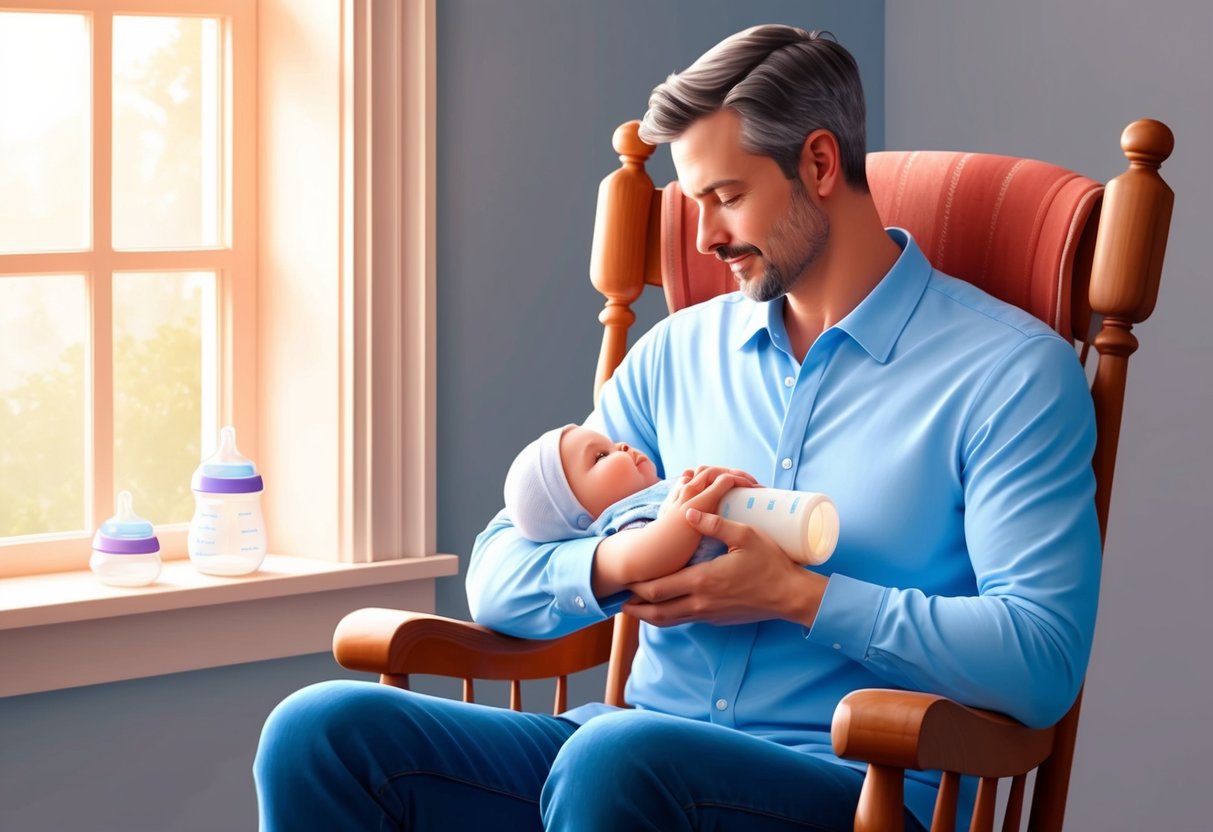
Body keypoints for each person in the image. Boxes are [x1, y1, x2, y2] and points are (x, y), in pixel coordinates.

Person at [254, 24, 1101, 832]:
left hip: (850, 787)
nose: (702, 239)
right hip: (622, 765)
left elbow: (1039, 658)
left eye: (726, 197)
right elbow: (501, 573)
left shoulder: (1007, 375)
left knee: (621, 756)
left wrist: (801, 597)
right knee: (321, 731)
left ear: (816, 162)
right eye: (692, 202)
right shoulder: (675, 355)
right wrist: (624, 558)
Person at [504, 423, 763, 581]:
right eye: (601, 455)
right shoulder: (627, 524)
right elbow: (646, 557)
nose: (623, 446)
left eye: (612, 443)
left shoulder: (660, 492)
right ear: (583, 516)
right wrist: (689, 513)